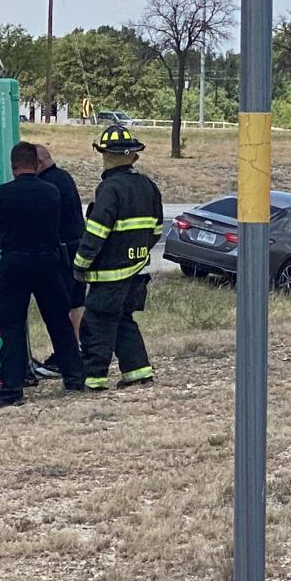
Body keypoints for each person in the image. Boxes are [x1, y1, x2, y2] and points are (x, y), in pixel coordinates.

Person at [0, 141, 87, 407]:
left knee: (12, 327)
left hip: (14, 262)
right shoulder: (51, 192)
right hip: (47, 261)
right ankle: (74, 379)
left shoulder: (2, 193)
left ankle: (12, 390)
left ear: (13, 165)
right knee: (59, 323)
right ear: (36, 163)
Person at [73, 126, 165, 390]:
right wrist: (137, 252)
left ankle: (93, 380)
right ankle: (138, 373)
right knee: (124, 321)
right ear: (133, 156)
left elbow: (96, 232)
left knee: (96, 325)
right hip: (137, 272)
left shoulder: (109, 189)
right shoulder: (149, 187)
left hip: (110, 276)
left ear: (105, 154)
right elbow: (156, 230)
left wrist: (80, 263)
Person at [32, 143, 85, 380]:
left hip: (62, 250)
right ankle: (76, 350)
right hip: (77, 247)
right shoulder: (64, 177)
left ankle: (65, 355)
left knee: (60, 305)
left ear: (40, 163)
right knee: (75, 302)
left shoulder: (48, 184)